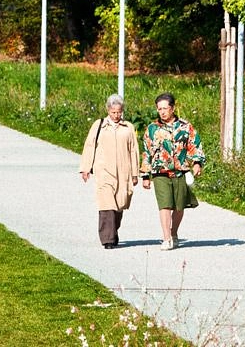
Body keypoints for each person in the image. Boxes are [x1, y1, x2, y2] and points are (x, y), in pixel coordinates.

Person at [140, 92, 205, 251]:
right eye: (159, 109)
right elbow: (146, 152)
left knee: (179, 207)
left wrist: (197, 163)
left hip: (180, 172)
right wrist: (145, 175)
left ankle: (173, 233)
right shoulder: (152, 129)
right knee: (165, 205)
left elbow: (195, 145)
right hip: (160, 172)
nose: (162, 112)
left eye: (165, 108)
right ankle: (166, 238)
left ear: (173, 108)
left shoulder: (185, 126)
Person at [79, 94, 139, 249]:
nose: (116, 115)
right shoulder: (99, 125)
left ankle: (113, 231)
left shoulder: (128, 127)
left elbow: (133, 150)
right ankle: (107, 239)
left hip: (123, 172)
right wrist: (85, 168)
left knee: (119, 205)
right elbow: (89, 146)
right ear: (108, 110)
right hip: (104, 171)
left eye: (119, 112)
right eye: (113, 112)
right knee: (106, 204)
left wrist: (134, 173)